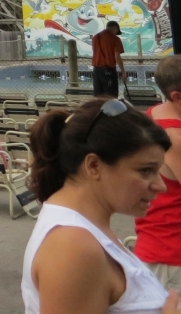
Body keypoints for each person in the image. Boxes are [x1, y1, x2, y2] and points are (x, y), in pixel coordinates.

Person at [22, 97, 176, 314]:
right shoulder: (73, 247)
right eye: (145, 170)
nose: (161, 186)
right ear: (94, 165)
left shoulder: (84, 230)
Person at [135, 56, 181, 286]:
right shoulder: (175, 138)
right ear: (177, 97)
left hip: (155, 241)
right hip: (172, 252)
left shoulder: (154, 114)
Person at [92, 21, 126, 99]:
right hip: (109, 71)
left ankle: (100, 110)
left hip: (96, 70)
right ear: (115, 28)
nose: (116, 33)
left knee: (98, 96)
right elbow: (117, 57)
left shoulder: (95, 37)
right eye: (117, 31)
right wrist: (123, 71)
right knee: (111, 96)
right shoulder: (115, 39)